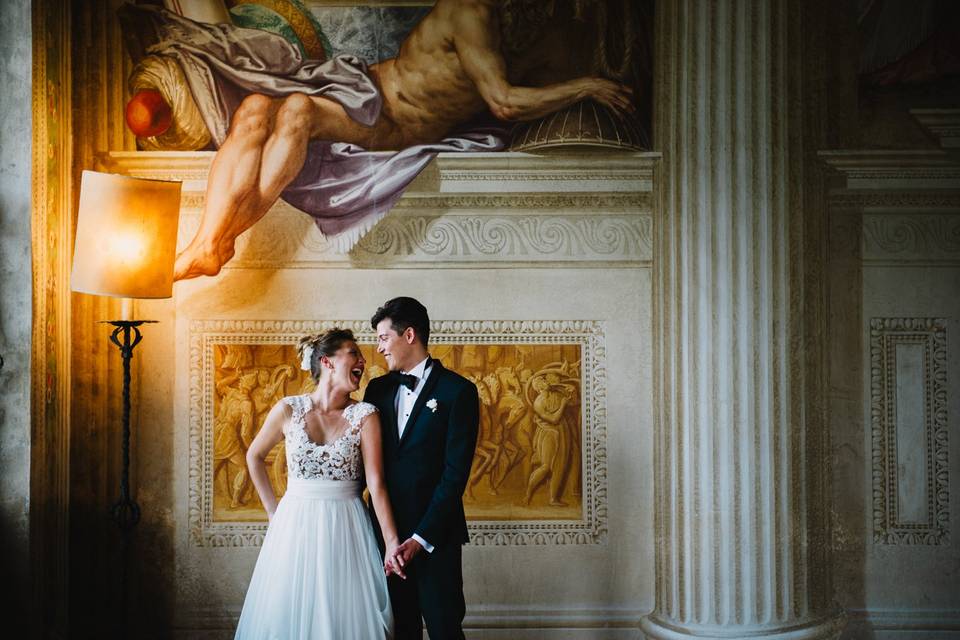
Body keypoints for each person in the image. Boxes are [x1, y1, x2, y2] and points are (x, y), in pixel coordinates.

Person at [166, 0, 634, 280]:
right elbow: (506, 100)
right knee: (251, 110)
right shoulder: (472, 12)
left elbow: (507, 104)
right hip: (360, 85)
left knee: (297, 111)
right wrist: (586, 85)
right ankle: (210, 240)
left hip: (395, 124)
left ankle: (219, 240)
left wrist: (585, 86)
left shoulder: (539, 39)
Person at [236, 328, 401, 638]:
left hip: (347, 526)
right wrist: (274, 513)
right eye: (354, 353)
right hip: (294, 524)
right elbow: (254, 456)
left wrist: (392, 542)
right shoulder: (288, 409)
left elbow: (377, 484)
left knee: (343, 616)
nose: (364, 360)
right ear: (327, 361)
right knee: (288, 612)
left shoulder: (365, 415)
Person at [364, 297, 480, 639]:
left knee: (445, 629)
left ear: (409, 335)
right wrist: (392, 539)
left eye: (384, 337)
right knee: (400, 631)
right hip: (385, 537)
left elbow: (454, 475)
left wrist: (419, 539)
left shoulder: (458, 391)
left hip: (436, 537)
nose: (379, 347)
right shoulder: (377, 390)